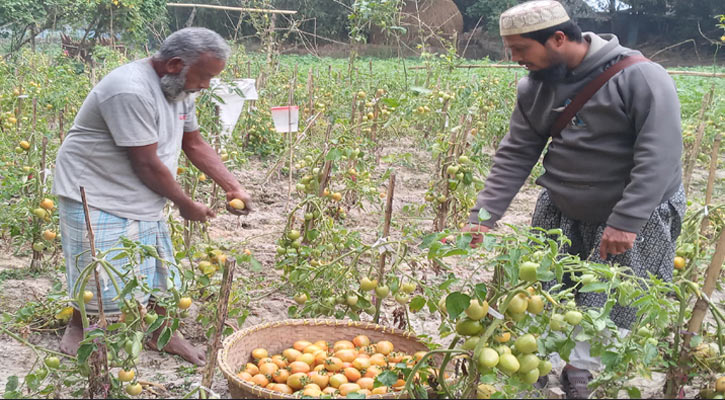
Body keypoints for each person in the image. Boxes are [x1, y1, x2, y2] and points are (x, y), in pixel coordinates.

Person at [463, 1, 685, 397]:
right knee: (552, 291)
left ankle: (581, 368)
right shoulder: (534, 88)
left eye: (520, 49)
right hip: (562, 208)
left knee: (612, 300)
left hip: (629, 214)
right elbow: (517, 151)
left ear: (558, 39)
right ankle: (546, 358)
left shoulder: (641, 78)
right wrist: (484, 215)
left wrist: (627, 220)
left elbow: (660, 154)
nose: (514, 59)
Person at [53, 27, 253, 366]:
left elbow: (194, 143)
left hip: (141, 188)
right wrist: (185, 204)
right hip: (94, 189)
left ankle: (161, 331)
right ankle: (79, 327)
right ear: (175, 64)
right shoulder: (129, 90)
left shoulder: (178, 90)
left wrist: (231, 185)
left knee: (158, 265)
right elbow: (145, 163)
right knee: (94, 265)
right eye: (203, 76)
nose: (205, 85)